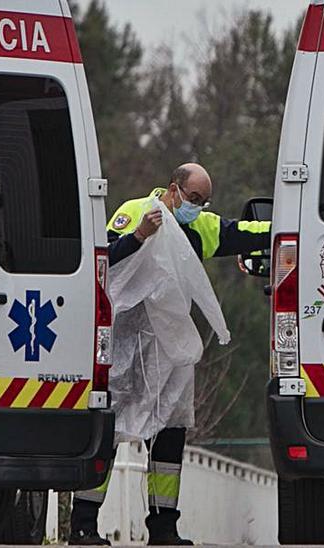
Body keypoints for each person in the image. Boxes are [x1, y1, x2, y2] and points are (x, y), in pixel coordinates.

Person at [70, 163, 272, 546]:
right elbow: (104, 260)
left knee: (169, 441)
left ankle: (163, 528)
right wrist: (140, 237)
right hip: (126, 347)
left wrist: (293, 225)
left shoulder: (200, 228)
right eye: (193, 198)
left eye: (204, 201)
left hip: (169, 353)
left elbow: (243, 233)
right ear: (172, 189)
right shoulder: (134, 211)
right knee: (107, 435)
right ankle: (82, 525)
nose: (197, 207)